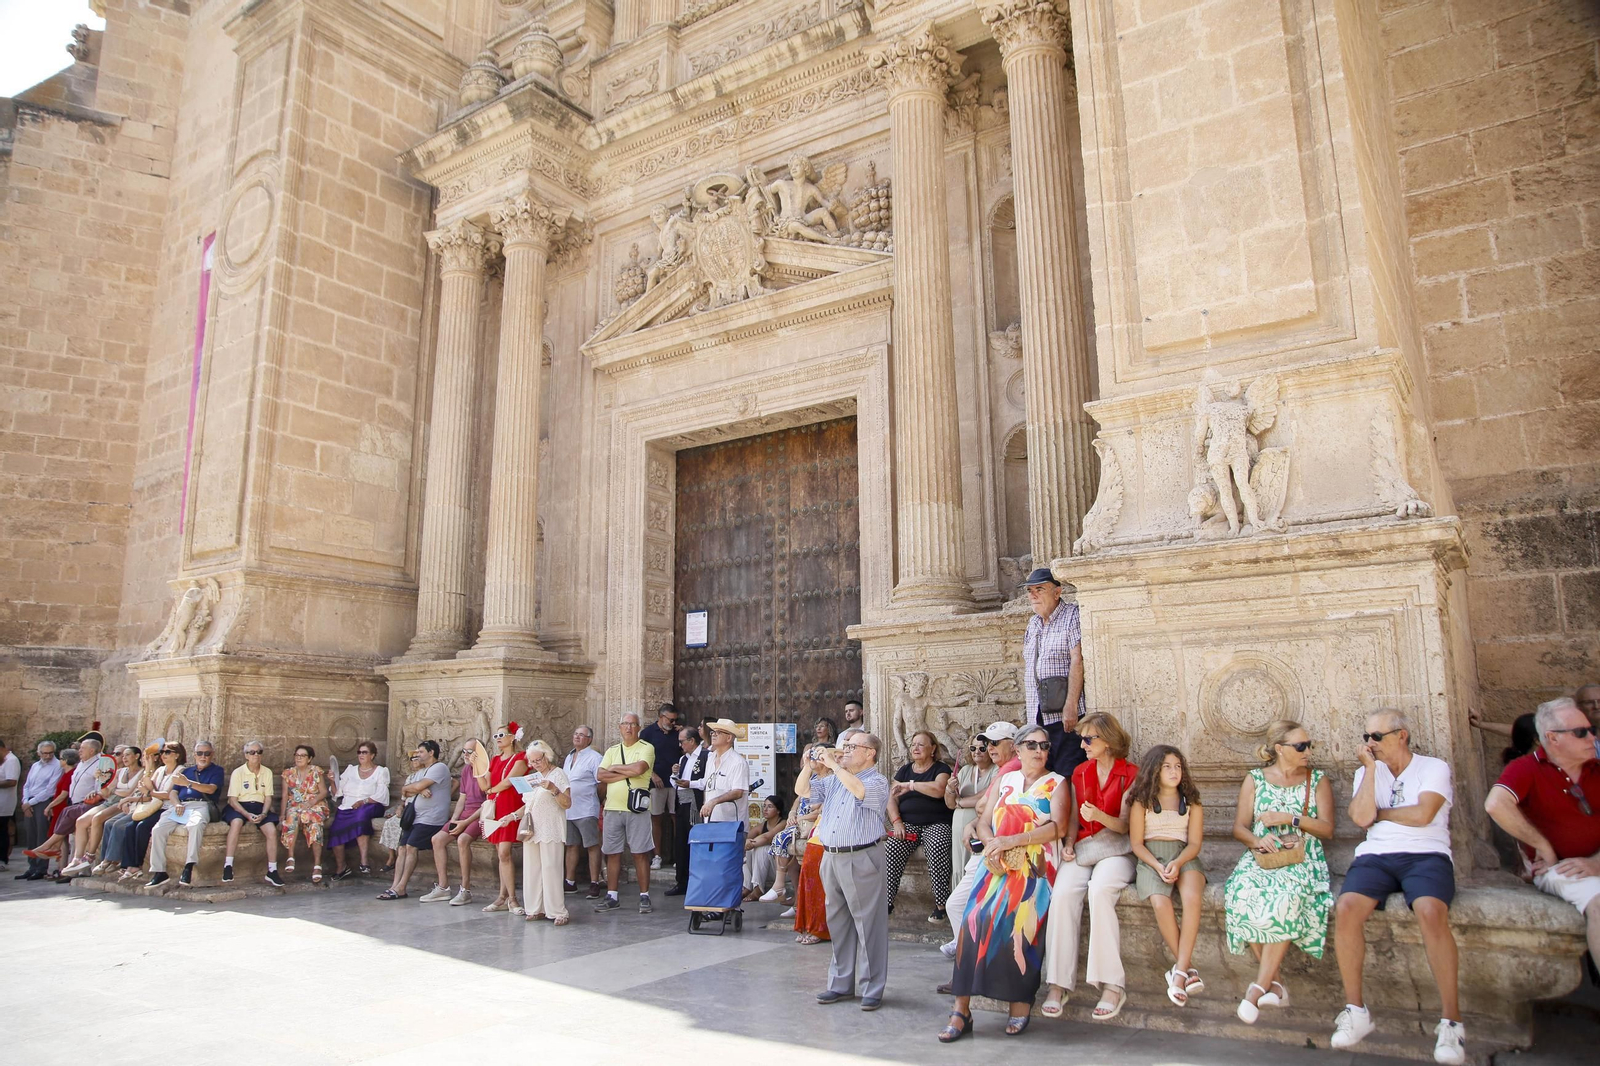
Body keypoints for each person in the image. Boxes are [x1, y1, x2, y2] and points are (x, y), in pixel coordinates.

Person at [1333, 710, 1464, 1065]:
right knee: (1345, 909)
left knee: (1430, 911)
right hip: (1377, 855)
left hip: (1426, 854)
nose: (1369, 744)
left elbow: (1423, 816)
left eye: (1377, 737)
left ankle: (1451, 1022)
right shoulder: (1366, 772)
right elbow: (1361, 818)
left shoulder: (1433, 767)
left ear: (1401, 735)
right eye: (1366, 738)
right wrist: (1372, 772)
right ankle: (1356, 1011)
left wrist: (1383, 814)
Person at [940, 723, 1069, 1041]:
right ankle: (961, 1009)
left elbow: (1058, 827)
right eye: (1032, 745)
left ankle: (1020, 1002)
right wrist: (992, 844)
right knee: (974, 919)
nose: (1039, 752)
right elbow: (984, 822)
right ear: (1019, 749)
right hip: (997, 863)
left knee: (1018, 923)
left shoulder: (1057, 783)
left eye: (1044, 746)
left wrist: (1012, 840)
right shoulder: (1006, 780)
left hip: (1035, 866)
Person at [1223, 719, 1334, 1023]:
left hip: (1302, 857)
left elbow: (1327, 829)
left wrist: (1291, 818)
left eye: (1309, 745)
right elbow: (1239, 828)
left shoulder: (1317, 779)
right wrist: (1258, 840)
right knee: (1240, 893)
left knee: (1285, 896)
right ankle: (1277, 984)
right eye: (1301, 746)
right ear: (1279, 749)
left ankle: (1258, 988)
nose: (1308, 751)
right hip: (1262, 858)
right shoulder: (1255, 779)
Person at [1484, 697, 1600, 964]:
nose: (1591, 737)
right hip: (1563, 869)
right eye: (1581, 732)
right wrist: (1543, 846)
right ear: (1553, 738)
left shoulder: (1597, 767)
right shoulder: (1526, 768)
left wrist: (1596, 862)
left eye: (1591, 730)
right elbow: (1495, 804)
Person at [1041, 711, 1137, 1021]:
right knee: (1064, 893)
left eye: (1088, 739)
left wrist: (1099, 816)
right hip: (1084, 847)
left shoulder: (1131, 774)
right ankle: (1058, 984)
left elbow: (1124, 826)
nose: (1082, 744)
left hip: (1118, 850)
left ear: (1108, 741)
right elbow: (1071, 819)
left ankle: (1112, 985)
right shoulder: (1080, 772)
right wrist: (1068, 843)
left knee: (1100, 890)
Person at [797, 730, 891, 1011]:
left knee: (868, 925)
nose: (845, 750)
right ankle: (840, 983)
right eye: (844, 746)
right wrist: (808, 765)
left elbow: (859, 791)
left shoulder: (877, 780)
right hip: (832, 857)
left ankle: (872, 987)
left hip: (861, 857)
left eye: (852, 746)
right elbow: (803, 792)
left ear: (870, 753)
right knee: (837, 922)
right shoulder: (835, 779)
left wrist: (835, 764)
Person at [1129, 745, 1206, 1006]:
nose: (1174, 771)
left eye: (1178, 766)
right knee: (1160, 901)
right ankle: (1187, 969)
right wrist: (1158, 866)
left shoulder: (1192, 802)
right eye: (1167, 766)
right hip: (1151, 857)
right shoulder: (1142, 802)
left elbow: (1195, 844)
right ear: (1154, 770)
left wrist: (1178, 862)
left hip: (1184, 855)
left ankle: (1180, 971)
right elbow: (1137, 844)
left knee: (1193, 897)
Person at [940, 722, 1019, 961]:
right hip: (981, 838)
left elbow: (984, 805)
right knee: (959, 902)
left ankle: (969, 957)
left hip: (993, 844)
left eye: (993, 744)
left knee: (971, 904)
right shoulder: (973, 771)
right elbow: (954, 802)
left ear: (1013, 745)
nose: (987, 749)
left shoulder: (1009, 769)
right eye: (987, 744)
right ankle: (964, 951)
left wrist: (975, 821)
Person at [1021, 567, 1086, 779]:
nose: (1033, 595)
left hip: (1063, 713)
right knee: (1044, 775)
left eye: (1040, 589)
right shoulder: (1033, 623)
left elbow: (1077, 659)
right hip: (1039, 715)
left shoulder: (1071, 615)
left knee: (1068, 773)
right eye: (1030, 590)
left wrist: (1071, 705)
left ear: (1057, 592)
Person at [885, 730, 954, 921]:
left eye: (921, 744)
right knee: (892, 847)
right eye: (913, 744)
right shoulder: (905, 770)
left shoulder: (941, 769)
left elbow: (939, 790)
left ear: (932, 749)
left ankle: (941, 905)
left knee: (937, 846)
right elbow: (891, 798)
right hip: (908, 824)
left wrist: (911, 786)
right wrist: (897, 821)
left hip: (937, 823)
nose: (915, 748)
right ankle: (886, 902)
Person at [595, 712, 655, 913]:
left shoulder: (646, 748)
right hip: (612, 808)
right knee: (612, 853)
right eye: (625, 724)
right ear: (620, 727)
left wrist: (615, 769)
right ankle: (612, 895)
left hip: (636, 808)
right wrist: (624, 771)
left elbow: (639, 769)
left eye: (633, 724)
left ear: (638, 728)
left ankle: (644, 896)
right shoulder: (612, 750)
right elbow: (600, 775)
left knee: (640, 853)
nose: (629, 728)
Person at [29, 732, 111, 872]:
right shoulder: (81, 763)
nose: (79, 750)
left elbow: (101, 787)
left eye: (82, 748)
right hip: (75, 802)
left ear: (92, 750)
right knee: (72, 834)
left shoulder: (100, 764)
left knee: (69, 815)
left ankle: (51, 847)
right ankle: (64, 860)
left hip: (89, 803)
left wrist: (95, 794)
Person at [379, 741, 450, 900]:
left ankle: (402, 887)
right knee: (402, 847)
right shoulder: (421, 772)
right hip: (415, 817)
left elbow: (415, 787)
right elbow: (406, 789)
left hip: (431, 818)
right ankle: (394, 886)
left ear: (431, 753)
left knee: (411, 846)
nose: (418, 754)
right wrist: (415, 788)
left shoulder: (439, 768)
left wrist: (416, 788)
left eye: (421, 751)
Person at [147, 739, 222, 887]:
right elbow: (173, 793)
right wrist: (177, 804)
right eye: (200, 753)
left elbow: (210, 789)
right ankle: (159, 871)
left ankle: (189, 866)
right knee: (158, 830)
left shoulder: (216, 770)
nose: (203, 756)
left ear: (212, 755)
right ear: (194, 755)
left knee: (195, 825)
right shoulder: (186, 771)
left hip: (200, 805)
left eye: (207, 753)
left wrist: (188, 783)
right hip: (182, 806)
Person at [64, 743, 145, 876]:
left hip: (123, 803)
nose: (124, 758)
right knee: (81, 821)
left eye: (127, 755)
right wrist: (101, 780)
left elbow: (130, 792)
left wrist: (116, 791)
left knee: (98, 818)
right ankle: (77, 858)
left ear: (137, 756)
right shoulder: (119, 772)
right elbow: (106, 793)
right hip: (111, 800)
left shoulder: (142, 772)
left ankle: (90, 856)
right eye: (122, 755)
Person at [473, 722, 528, 913]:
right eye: (496, 736)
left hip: (511, 807)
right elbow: (483, 784)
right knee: (501, 853)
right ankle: (503, 897)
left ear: (513, 737)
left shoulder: (521, 758)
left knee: (504, 852)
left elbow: (509, 782)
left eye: (501, 735)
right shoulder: (495, 760)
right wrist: (476, 766)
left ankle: (511, 898)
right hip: (496, 808)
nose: (498, 739)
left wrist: (490, 789)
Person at [422, 739, 483, 905]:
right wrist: (455, 819)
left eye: (469, 751)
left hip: (479, 815)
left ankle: (465, 889)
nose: (465, 755)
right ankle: (443, 887)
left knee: (463, 840)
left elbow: (487, 803)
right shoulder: (465, 771)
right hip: (464, 814)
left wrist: (464, 823)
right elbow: (462, 799)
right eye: (464, 751)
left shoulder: (486, 771)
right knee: (437, 839)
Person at [517, 739, 572, 924]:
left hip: (551, 828)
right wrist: (511, 816)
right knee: (532, 870)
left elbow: (567, 803)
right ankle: (534, 908)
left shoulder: (558, 774)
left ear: (546, 756)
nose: (534, 764)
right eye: (531, 762)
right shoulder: (531, 778)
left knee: (551, 868)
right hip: (532, 830)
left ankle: (558, 911)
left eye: (537, 760)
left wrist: (554, 789)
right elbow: (527, 805)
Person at [118, 742, 184, 881]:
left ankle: (137, 864)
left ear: (177, 755)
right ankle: (129, 865)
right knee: (130, 827)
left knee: (143, 827)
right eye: (162, 752)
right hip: (154, 805)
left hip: (167, 807)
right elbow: (148, 785)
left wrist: (149, 791)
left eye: (167, 752)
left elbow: (168, 794)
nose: (163, 755)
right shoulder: (160, 770)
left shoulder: (180, 771)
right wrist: (148, 767)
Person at [220, 739, 282, 886]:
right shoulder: (238, 772)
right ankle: (228, 866)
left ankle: (272, 870)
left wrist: (264, 813)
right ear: (246, 755)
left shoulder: (267, 772)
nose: (256, 755)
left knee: (272, 831)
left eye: (259, 752)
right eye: (252, 752)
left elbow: (268, 798)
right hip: (240, 805)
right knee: (236, 823)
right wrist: (247, 814)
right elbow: (232, 800)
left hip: (259, 806)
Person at [95, 743, 160, 878]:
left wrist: (128, 799)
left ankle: (111, 859)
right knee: (108, 823)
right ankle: (107, 860)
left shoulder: (154, 772)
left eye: (147, 756)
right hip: (133, 805)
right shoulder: (146, 772)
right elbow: (109, 792)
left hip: (145, 807)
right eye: (144, 756)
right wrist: (102, 781)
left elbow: (148, 795)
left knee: (120, 825)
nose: (145, 759)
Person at [328, 740, 390, 880]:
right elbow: (337, 792)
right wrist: (332, 781)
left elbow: (382, 795)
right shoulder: (350, 770)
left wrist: (364, 801)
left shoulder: (381, 771)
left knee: (361, 816)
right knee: (335, 829)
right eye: (359, 752)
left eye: (364, 752)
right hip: (348, 805)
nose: (361, 755)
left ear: (372, 755)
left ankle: (364, 861)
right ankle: (341, 867)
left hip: (371, 804)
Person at [791, 746, 832, 944]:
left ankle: (820, 928)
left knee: (822, 882)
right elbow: (800, 790)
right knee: (808, 875)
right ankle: (808, 925)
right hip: (819, 831)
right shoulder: (819, 780)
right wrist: (807, 765)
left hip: (834, 833)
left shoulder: (839, 776)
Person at [563, 725, 604, 898]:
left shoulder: (595, 758)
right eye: (575, 734)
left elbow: (602, 782)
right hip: (569, 809)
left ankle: (595, 882)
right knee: (571, 844)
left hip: (586, 808)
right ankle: (570, 881)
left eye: (582, 735)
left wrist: (597, 799)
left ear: (589, 739)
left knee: (592, 845)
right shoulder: (569, 756)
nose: (577, 737)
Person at [280, 744, 330, 883]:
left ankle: (317, 865)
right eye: (297, 755)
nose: (299, 758)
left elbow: (324, 792)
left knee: (314, 824)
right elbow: (285, 796)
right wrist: (281, 814)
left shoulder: (316, 771)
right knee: (292, 816)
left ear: (309, 759)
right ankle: (290, 857)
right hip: (296, 805)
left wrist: (311, 802)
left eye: (302, 755)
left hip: (314, 804)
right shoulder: (288, 773)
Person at [667, 726, 707, 897]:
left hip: (696, 805)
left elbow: (707, 781)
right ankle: (681, 881)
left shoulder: (707, 756)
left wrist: (690, 783)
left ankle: (698, 882)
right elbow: (676, 782)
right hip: (682, 804)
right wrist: (674, 775)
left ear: (692, 741)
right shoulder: (684, 759)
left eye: (682, 741)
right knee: (681, 842)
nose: (680, 745)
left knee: (696, 844)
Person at [641, 702, 681, 870]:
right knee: (656, 818)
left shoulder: (678, 733)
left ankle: (678, 855)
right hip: (656, 783)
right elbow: (640, 757)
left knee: (676, 818)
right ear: (661, 717)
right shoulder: (647, 733)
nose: (672, 723)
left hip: (676, 782)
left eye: (674, 720)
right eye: (670, 720)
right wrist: (652, 774)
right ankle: (657, 855)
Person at [15, 740, 63, 880]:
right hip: (30, 801)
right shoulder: (35, 765)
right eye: (45, 753)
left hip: (43, 802)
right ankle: (32, 867)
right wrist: (25, 802)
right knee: (31, 835)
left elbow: (50, 789)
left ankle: (41, 868)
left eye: (50, 753)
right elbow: (27, 785)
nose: (48, 756)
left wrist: (30, 802)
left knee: (42, 835)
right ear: (39, 753)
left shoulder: (56, 766)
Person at [699, 718, 751, 823]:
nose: (713, 734)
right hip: (710, 820)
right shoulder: (710, 759)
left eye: (718, 732)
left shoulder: (738, 762)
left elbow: (737, 792)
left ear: (729, 737)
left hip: (731, 823)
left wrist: (714, 801)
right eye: (713, 732)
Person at [743, 795, 786, 900]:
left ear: (778, 810)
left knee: (761, 849)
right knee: (748, 852)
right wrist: (746, 842)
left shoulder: (783, 823)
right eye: (764, 806)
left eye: (770, 806)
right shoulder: (763, 825)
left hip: (781, 869)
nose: (765, 809)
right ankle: (748, 887)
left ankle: (758, 890)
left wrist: (750, 843)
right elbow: (747, 837)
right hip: (765, 869)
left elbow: (767, 837)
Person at [0, 738, 18, 871]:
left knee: (2, 831)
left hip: (4, 803)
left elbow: (12, 781)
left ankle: (2, 859)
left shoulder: (11, 760)